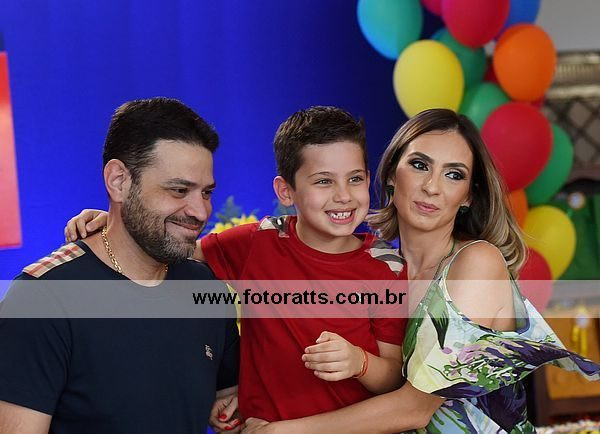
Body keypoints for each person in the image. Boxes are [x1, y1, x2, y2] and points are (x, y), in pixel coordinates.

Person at [240, 108, 600, 433]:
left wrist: (280, 431)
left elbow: (415, 408)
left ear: (468, 196)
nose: (432, 187)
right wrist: (239, 392)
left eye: (454, 175)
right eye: (419, 165)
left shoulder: (477, 263)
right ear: (391, 174)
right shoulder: (375, 268)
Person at [63, 106, 408, 423]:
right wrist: (118, 221)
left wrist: (359, 362)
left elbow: (395, 378)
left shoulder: (387, 268)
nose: (344, 196)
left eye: (355, 179)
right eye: (323, 181)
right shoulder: (258, 241)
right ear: (285, 191)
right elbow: (172, 247)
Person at [0, 98, 240, 433]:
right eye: (179, 190)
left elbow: (230, 401)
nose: (200, 212)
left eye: (206, 193)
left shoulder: (204, 287)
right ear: (119, 182)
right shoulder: (43, 298)